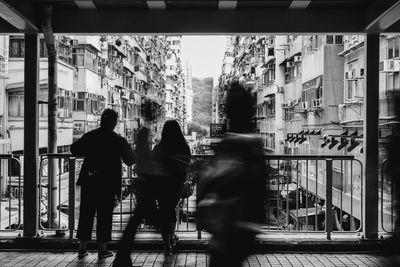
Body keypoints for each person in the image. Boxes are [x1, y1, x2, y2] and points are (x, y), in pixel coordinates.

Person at [197, 83, 266, 267]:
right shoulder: (253, 141)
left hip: (230, 226)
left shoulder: (235, 142)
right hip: (243, 226)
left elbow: (221, 180)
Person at [71, 109, 135, 259]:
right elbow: (130, 160)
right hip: (108, 184)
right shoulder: (118, 140)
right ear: (114, 123)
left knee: (86, 214)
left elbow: (74, 149)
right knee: (105, 216)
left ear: (101, 121)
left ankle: (82, 248)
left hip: (90, 180)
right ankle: (102, 250)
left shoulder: (91, 136)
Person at [112, 127, 159, 266]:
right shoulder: (145, 150)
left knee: (135, 222)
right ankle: (122, 256)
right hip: (146, 187)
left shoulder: (140, 149)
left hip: (144, 187)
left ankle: (122, 256)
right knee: (136, 222)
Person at [152, 120, 191, 255]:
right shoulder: (184, 147)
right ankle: (171, 237)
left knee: (164, 211)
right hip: (176, 184)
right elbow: (187, 162)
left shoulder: (159, 147)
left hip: (161, 185)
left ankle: (167, 244)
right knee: (171, 211)